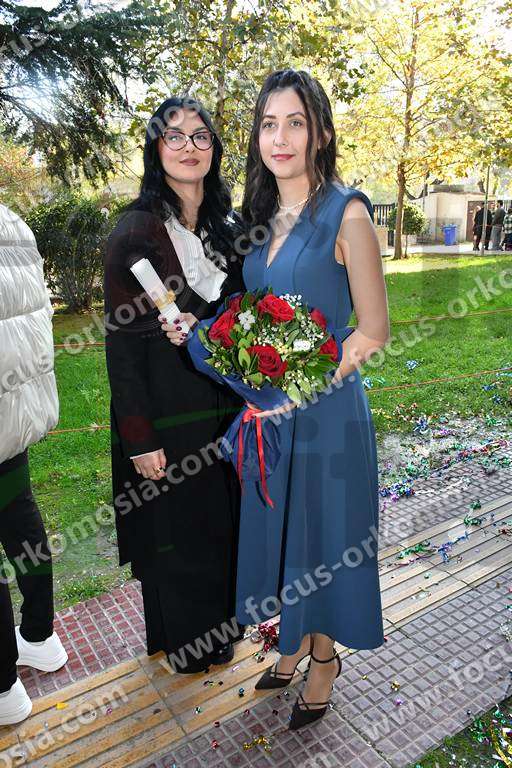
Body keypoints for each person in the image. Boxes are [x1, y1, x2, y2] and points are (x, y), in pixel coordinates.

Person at [226, 69, 390, 731]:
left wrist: (301, 389)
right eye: (269, 124)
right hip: (272, 412)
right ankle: (292, 641)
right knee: (289, 534)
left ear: (320, 132)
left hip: (326, 412)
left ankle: (325, 659)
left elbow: (373, 330)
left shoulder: (348, 212)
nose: (281, 137)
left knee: (323, 539)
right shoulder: (262, 219)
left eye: (296, 122)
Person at [103, 97, 245, 674]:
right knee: (175, 532)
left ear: (214, 148)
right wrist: (139, 438)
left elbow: (240, 307)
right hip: (164, 411)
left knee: (219, 526)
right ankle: (182, 644)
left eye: (201, 135)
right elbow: (121, 349)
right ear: (156, 148)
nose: (189, 146)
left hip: (223, 404)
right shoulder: (135, 231)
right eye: (175, 136)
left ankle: (221, 633)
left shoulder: (228, 228)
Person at [0, 204, 68, 726]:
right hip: (14, 411)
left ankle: (4, 688)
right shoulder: (12, 220)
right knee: (20, 519)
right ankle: (40, 636)